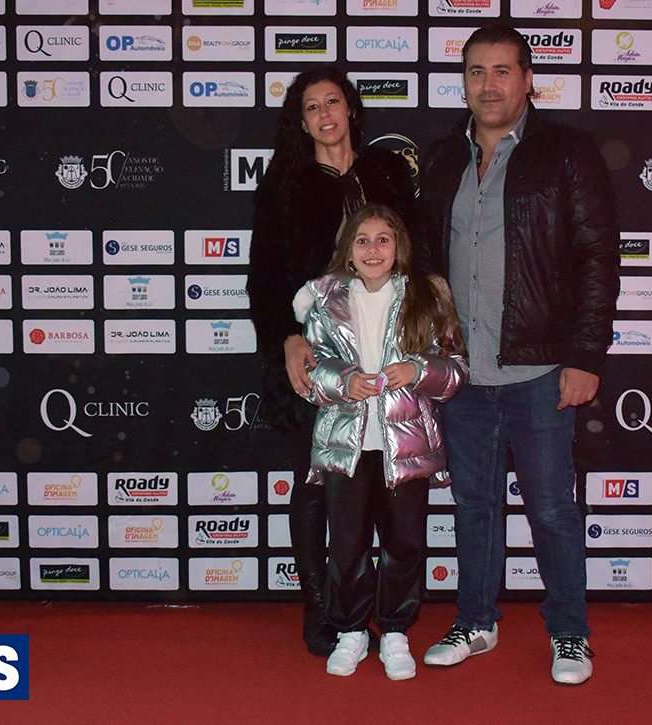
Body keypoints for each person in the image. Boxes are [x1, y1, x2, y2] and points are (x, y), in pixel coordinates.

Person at [418, 25, 620, 685]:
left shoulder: (567, 152)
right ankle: (476, 620)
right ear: (464, 82)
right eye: (476, 72)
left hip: (539, 369)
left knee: (552, 509)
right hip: (462, 371)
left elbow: (598, 258)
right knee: (473, 505)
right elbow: (424, 258)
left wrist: (586, 356)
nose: (489, 85)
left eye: (502, 71)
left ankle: (570, 634)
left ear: (529, 79)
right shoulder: (443, 157)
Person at [247, 66, 420, 657]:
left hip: (385, 355)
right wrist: (287, 339)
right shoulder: (284, 183)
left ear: (351, 109)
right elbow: (264, 277)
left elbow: (419, 254)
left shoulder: (386, 171)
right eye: (311, 106)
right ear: (300, 122)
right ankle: (319, 606)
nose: (325, 114)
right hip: (312, 358)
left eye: (333, 101)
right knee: (316, 485)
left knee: (383, 490)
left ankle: (381, 613)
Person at [294, 203, 468, 680]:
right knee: (346, 544)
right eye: (362, 240)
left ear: (399, 247)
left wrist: (417, 369)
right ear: (348, 250)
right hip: (345, 446)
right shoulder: (325, 302)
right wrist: (342, 381)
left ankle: (394, 631)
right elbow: (312, 372)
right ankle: (350, 631)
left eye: (383, 239)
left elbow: (456, 369)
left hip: (406, 447)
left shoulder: (425, 297)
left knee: (404, 543)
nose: (373, 250)